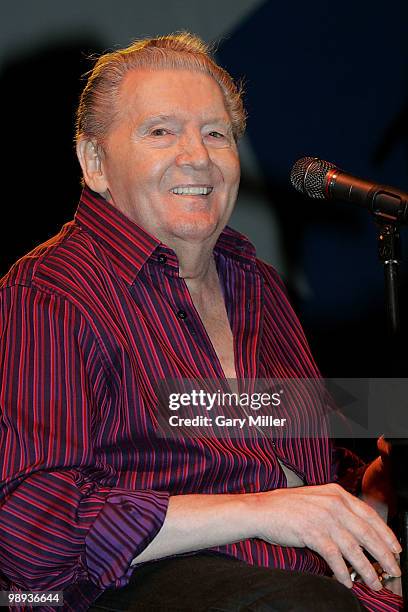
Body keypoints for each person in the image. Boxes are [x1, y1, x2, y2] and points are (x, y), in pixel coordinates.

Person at [0, 32, 403, 611]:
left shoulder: (256, 283)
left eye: (216, 133)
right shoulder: (49, 293)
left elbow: (294, 471)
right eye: (161, 131)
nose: (198, 156)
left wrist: (374, 492)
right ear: (94, 162)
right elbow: (30, 532)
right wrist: (262, 510)